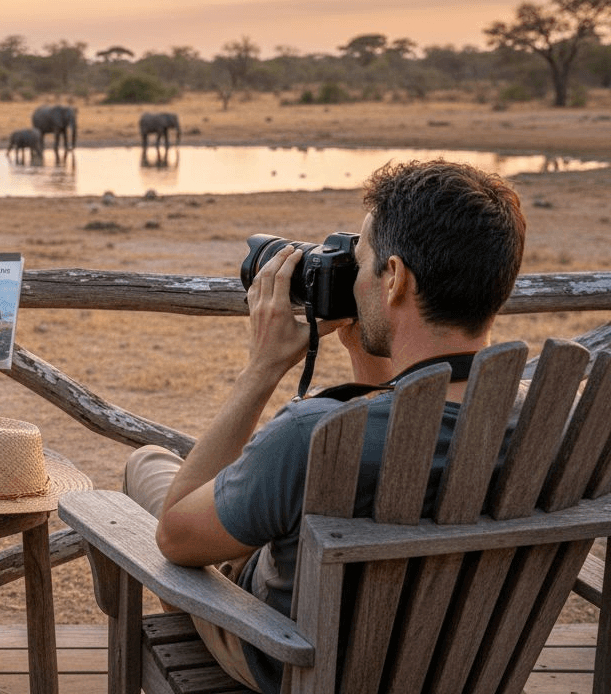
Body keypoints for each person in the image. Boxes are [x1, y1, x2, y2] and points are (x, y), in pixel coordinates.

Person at [123, 160, 526, 693]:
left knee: (147, 465)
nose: (354, 279)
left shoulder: (314, 435)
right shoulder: (539, 421)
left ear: (396, 279)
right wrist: (367, 349)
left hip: (290, 656)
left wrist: (262, 368)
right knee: (265, 506)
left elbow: (175, 537)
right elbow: (405, 438)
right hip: (463, 658)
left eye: (360, 262)